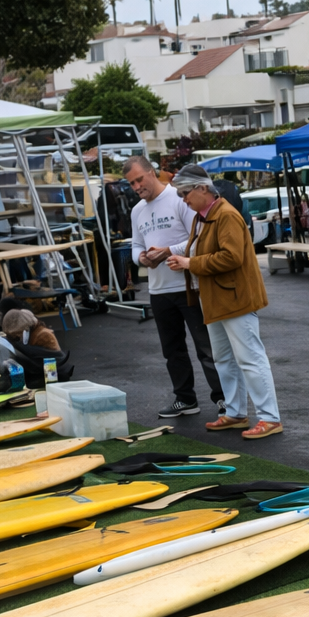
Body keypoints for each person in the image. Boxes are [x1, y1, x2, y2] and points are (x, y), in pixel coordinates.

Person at [165, 164, 282, 439]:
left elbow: (231, 258)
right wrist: (181, 257)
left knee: (249, 359)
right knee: (225, 359)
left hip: (233, 297)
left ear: (202, 189)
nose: (183, 199)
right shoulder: (205, 215)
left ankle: (269, 418)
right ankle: (235, 413)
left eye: (185, 193)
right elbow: (202, 249)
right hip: (217, 297)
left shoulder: (225, 215)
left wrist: (189, 262)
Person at [124, 155, 224, 419]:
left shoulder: (179, 198)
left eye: (139, 179)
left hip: (189, 286)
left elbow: (199, 237)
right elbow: (135, 246)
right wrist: (142, 258)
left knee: (207, 347)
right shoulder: (137, 211)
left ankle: (224, 400)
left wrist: (168, 251)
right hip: (158, 290)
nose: (136, 187)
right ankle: (185, 399)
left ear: (152, 172)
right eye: (131, 183)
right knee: (172, 350)